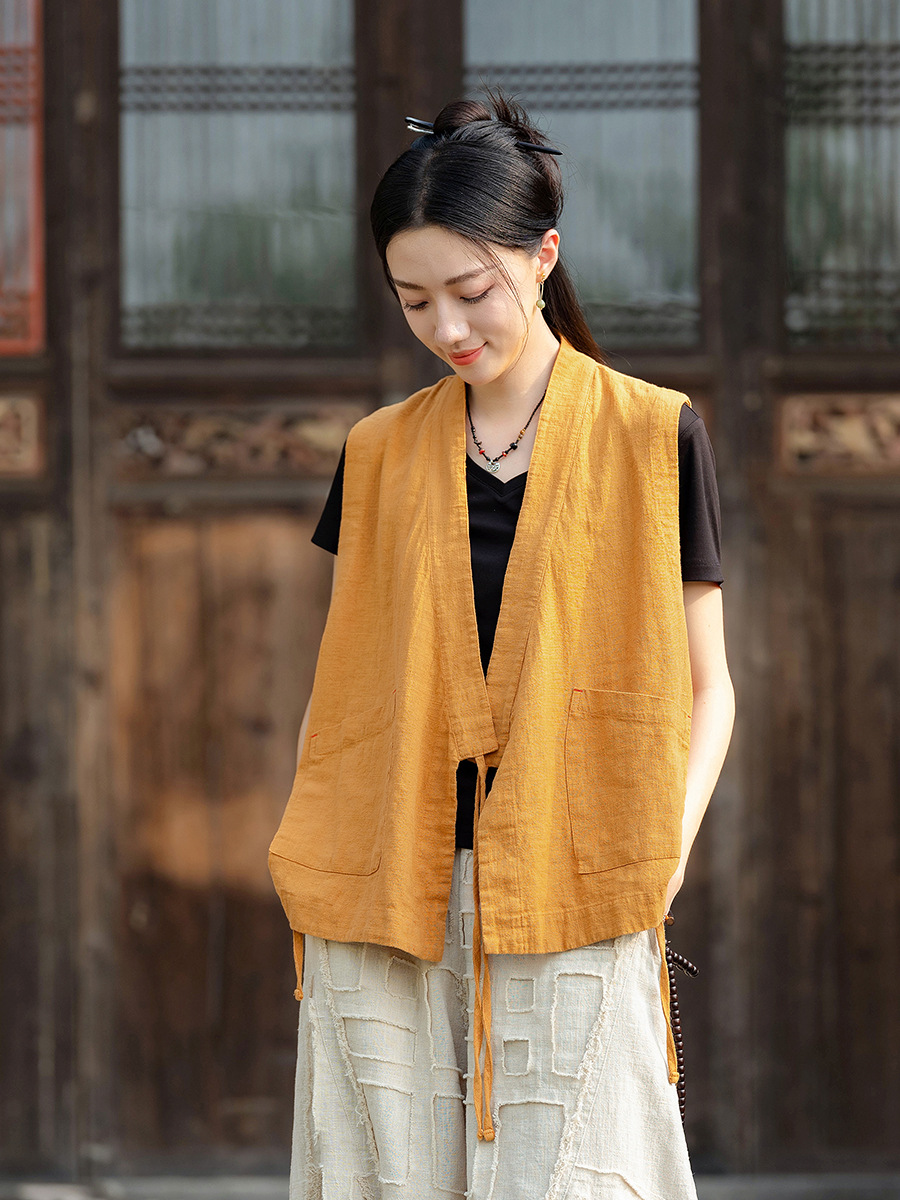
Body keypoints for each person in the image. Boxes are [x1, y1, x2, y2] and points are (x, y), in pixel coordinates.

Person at [269, 91, 736, 1200]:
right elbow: (346, 681)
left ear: (542, 258)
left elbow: (709, 685)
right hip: (385, 877)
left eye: (471, 292)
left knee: (576, 1169)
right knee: (379, 1172)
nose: (447, 329)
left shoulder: (653, 434)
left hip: (581, 875)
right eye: (414, 301)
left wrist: (662, 853)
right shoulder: (378, 452)